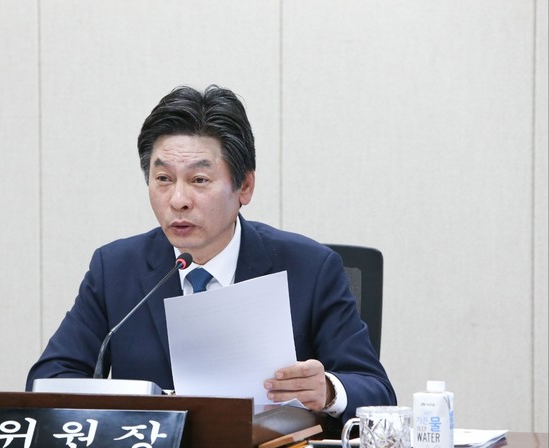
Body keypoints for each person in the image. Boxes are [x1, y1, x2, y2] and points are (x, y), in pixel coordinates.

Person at [26, 85, 396, 424]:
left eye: (199, 180)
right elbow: (48, 381)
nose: (178, 200)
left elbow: (376, 391)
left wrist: (327, 390)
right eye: (163, 179)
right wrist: (140, 401)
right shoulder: (115, 268)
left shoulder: (309, 268)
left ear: (244, 186)